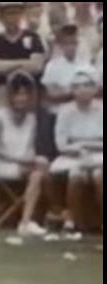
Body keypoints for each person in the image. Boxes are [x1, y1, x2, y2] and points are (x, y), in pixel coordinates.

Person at [0, 71, 50, 237]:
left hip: (23, 163)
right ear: (10, 96)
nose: (21, 98)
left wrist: (31, 160)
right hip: (1, 162)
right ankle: (26, 222)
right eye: (17, 94)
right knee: (37, 174)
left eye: (25, 94)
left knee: (43, 168)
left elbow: (29, 147)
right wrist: (21, 160)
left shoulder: (32, 119)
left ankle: (39, 218)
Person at [51, 67, 103, 231]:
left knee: (99, 176)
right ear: (72, 90)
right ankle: (73, 220)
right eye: (78, 86)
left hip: (99, 153)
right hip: (72, 155)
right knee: (76, 177)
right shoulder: (65, 111)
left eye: (87, 85)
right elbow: (61, 145)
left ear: (94, 89)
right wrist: (79, 150)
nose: (83, 90)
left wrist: (87, 146)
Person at [0, 2, 45, 112]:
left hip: (27, 91)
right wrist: (22, 64)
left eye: (15, 13)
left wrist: (5, 66)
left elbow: (37, 66)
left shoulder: (32, 37)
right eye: (8, 14)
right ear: (1, 17)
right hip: (1, 92)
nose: (12, 18)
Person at [42, 25, 91, 115]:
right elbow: (49, 96)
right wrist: (73, 94)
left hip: (80, 112)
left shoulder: (86, 66)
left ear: (77, 44)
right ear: (61, 45)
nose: (70, 47)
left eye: (73, 43)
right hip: (57, 112)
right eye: (67, 43)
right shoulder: (52, 66)